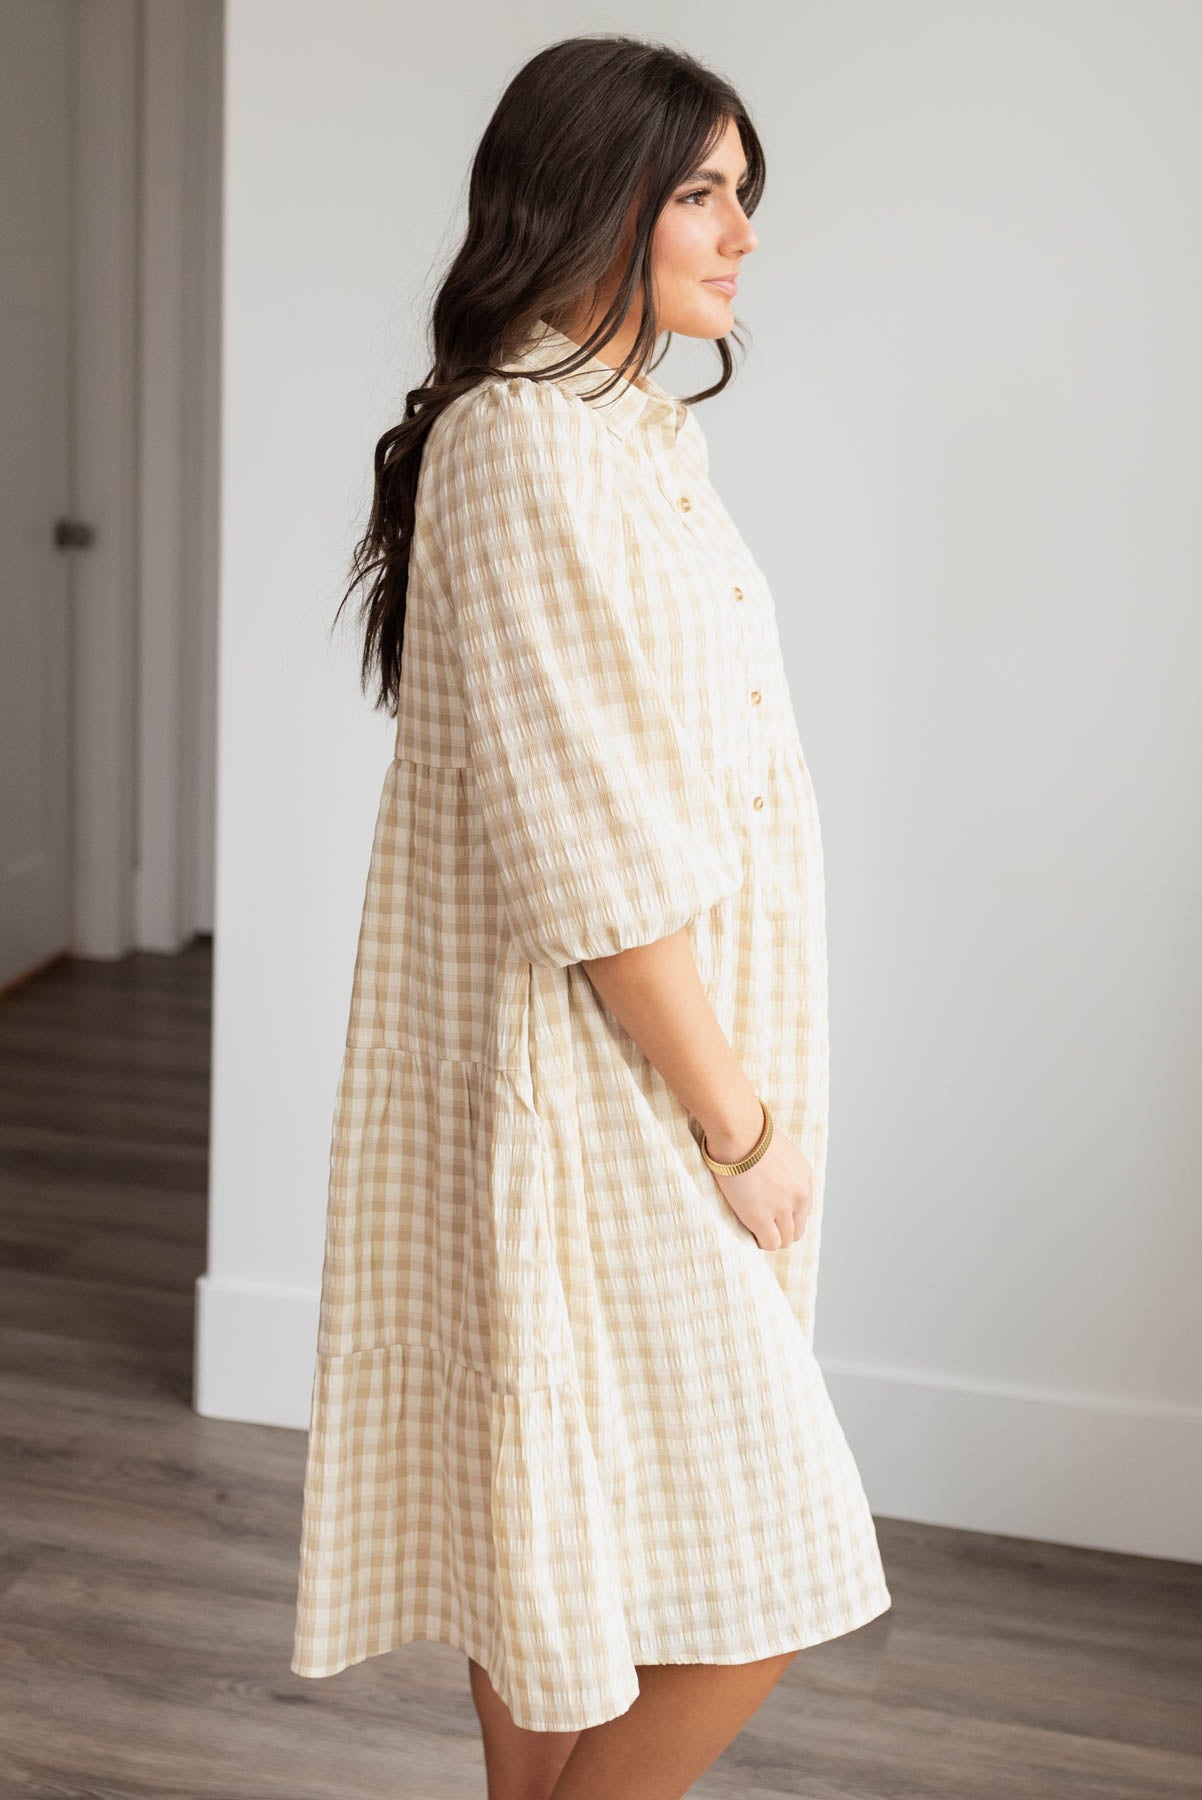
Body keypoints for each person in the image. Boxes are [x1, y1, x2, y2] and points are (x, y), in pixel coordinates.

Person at [290, 31, 892, 1800]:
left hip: (646, 1060)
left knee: (558, 1530)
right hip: (612, 1081)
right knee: (751, 1566)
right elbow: (591, 856)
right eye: (701, 191)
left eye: (740, 193)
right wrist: (742, 1127)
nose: (741, 233)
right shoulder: (527, 446)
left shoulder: (622, 439)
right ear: (591, 203)